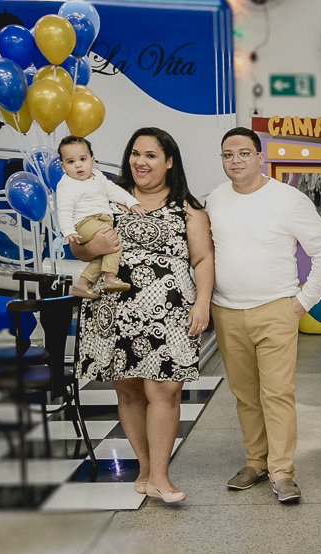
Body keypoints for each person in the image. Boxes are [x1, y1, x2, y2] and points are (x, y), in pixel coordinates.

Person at [71, 127, 214, 504]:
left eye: (151, 155)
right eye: (136, 153)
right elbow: (82, 250)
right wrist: (93, 245)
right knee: (129, 389)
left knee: (165, 389)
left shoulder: (188, 208)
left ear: (169, 162)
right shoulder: (105, 198)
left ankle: (161, 478)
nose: (140, 161)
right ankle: (147, 469)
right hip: (113, 309)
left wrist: (202, 303)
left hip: (170, 314)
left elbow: (202, 258)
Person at [206, 127, 321, 503]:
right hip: (227, 311)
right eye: (228, 154)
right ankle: (256, 463)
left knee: (277, 393)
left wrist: (303, 302)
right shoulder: (215, 199)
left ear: (260, 157)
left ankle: (282, 472)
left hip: (276, 310)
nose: (236, 160)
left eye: (244, 153)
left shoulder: (288, 199)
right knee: (245, 395)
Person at [56, 135, 145, 300]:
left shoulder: (97, 176)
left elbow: (114, 191)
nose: (78, 165)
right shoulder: (67, 184)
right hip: (85, 222)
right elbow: (64, 209)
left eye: (83, 159)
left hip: (101, 220)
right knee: (113, 242)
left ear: (92, 161)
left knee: (104, 252)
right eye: (71, 162)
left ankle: (82, 284)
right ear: (63, 167)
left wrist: (132, 202)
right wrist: (68, 231)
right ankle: (110, 278)